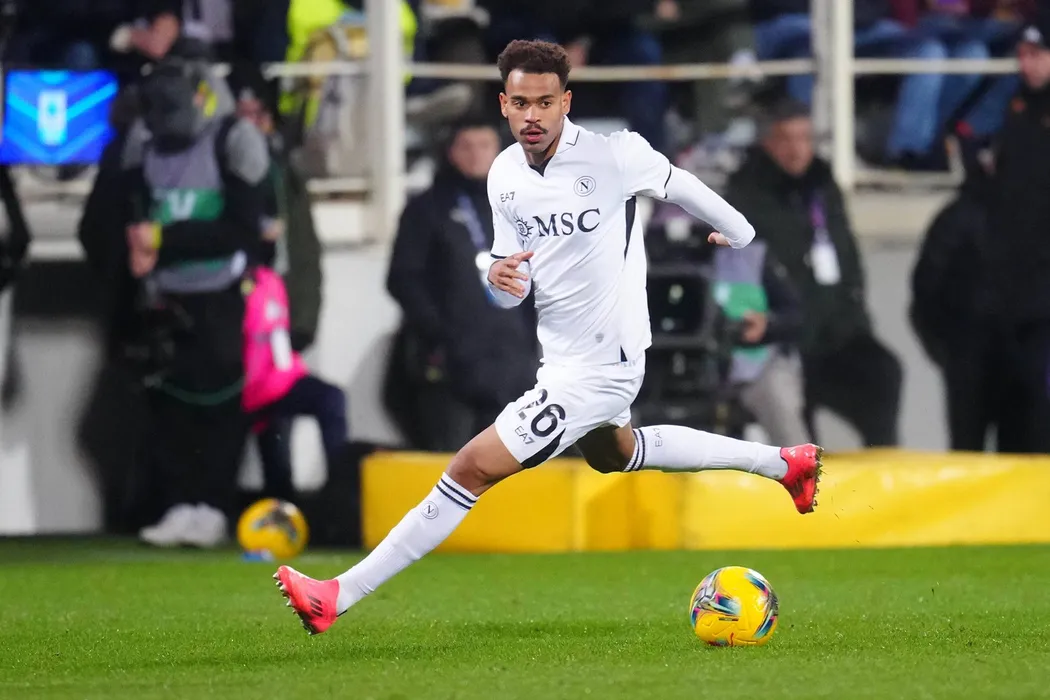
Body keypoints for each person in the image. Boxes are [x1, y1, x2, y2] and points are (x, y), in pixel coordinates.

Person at [273, 39, 823, 635]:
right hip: (560, 360)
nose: (531, 115)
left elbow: (683, 185)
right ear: (503, 105)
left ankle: (337, 594)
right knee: (618, 455)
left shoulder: (614, 156)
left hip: (604, 366)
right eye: (520, 103)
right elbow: (512, 284)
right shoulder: (504, 174)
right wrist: (496, 277)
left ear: (566, 102)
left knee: (469, 468)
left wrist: (737, 234)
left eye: (544, 102)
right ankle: (783, 465)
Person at [124, 39, 270, 547]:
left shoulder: (234, 139)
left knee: (218, 406)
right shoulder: (143, 141)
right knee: (169, 408)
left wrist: (165, 240)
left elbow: (243, 229)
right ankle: (178, 504)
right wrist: (134, 242)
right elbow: (131, 208)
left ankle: (212, 505)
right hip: (163, 296)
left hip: (220, 294)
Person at [726, 100, 902, 447]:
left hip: (836, 332)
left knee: (883, 370)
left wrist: (855, 318)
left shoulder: (823, 186)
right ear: (768, 143)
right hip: (783, 341)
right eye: (786, 139)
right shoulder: (747, 195)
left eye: (804, 138)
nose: (796, 150)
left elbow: (848, 258)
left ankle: (883, 461)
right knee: (793, 412)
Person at [386, 118, 539, 451]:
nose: (476, 155)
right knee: (453, 464)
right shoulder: (426, 209)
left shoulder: (518, 208)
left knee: (512, 463)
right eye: (466, 147)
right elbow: (403, 278)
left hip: (512, 362)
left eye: (484, 146)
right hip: (452, 367)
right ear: (449, 152)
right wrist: (439, 335)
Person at [970, 15, 1050, 452]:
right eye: (1022, 54)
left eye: (1037, 54)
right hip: (1013, 290)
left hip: (1041, 292)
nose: (1026, 63)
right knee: (1015, 408)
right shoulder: (1013, 106)